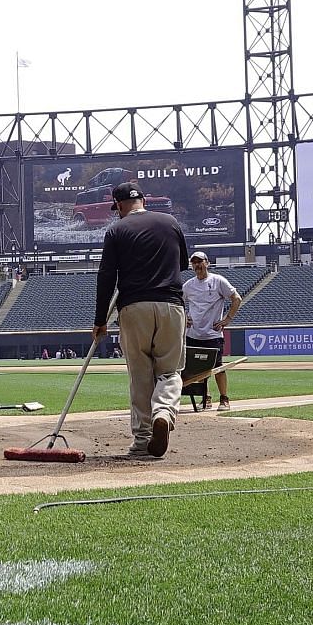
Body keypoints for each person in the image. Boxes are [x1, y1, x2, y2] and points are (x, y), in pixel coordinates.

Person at [92, 181, 191, 458]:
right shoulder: (170, 222)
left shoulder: (116, 230)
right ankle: (164, 412)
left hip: (134, 307)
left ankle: (142, 440)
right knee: (170, 372)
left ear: (120, 205)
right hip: (171, 304)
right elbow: (181, 264)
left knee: (140, 376)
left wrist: (100, 319)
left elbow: (106, 277)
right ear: (143, 200)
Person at [181, 252, 242, 412]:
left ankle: (224, 398)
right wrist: (183, 318)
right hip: (193, 334)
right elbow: (178, 303)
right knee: (197, 370)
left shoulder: (218, 281)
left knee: (218, 368)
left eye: (200, 262)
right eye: (194, 263)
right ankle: (206, 398)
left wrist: (227, 319)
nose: (197, 265)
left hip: (213, 335)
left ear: (207, 263)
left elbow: (236, 298)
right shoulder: (188, 285)